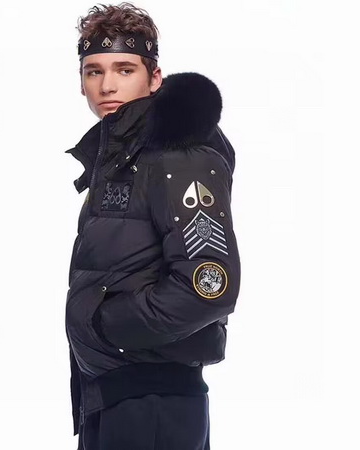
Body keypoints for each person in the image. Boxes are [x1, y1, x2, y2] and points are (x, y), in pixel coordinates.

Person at [64, 3, 241, 449]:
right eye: (93, 71)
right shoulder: (119, 161)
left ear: (155, 78)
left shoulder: (180, 157)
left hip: (155, 401)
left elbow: (209, 285)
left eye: (124, 70)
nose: (106, 85)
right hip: (110, 394)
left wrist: (106, 327)